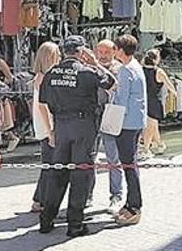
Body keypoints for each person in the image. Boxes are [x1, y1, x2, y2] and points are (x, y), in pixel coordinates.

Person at [38, 35, 115, 237]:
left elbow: (44, 100)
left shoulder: (51, 73)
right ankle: (75, 224)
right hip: (83, 126)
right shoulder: (87, 72)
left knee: (58, 172)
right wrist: (95, 63)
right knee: (81, 173)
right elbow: (110, 82)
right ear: (81, 52)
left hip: (61, 125)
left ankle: (46, 219)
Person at [111, 34, 148, 225]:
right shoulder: (136, 66)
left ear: (120, 49)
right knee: (130, 163)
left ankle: (134, 205)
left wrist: (111, 93)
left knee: (128, 164)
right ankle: (130, 203)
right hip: (136, 121)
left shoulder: (125, 71)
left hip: (125, 123)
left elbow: (121, 100)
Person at [30, 41, 61, 213]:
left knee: (48, 164)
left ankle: (39, 199)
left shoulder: (40, 77)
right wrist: (50, 131)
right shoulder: (44, 78)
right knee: (50, 165)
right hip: (46, 125)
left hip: (43, 124)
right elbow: (44, 106)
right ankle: (41, 200)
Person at [95, 39, 125, 214]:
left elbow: (115, 86)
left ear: (114, 51)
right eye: (100, 52)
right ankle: (87, 197)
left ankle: (116, 196)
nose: (103, 56)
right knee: (89, 159)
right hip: (93, 115)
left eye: (106, 52)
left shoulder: (119, 69)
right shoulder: (91, 67)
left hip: (111, 116)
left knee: (113, 158)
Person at [141, 49, 175, 156]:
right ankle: (146, 149)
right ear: (156, 59)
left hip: (142, 99)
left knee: (152, 125)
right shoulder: (159, 72)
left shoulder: (140, 70)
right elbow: (169, 85)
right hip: (154, 101)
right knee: (150, 126)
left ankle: (159, 144)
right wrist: (174, 93)